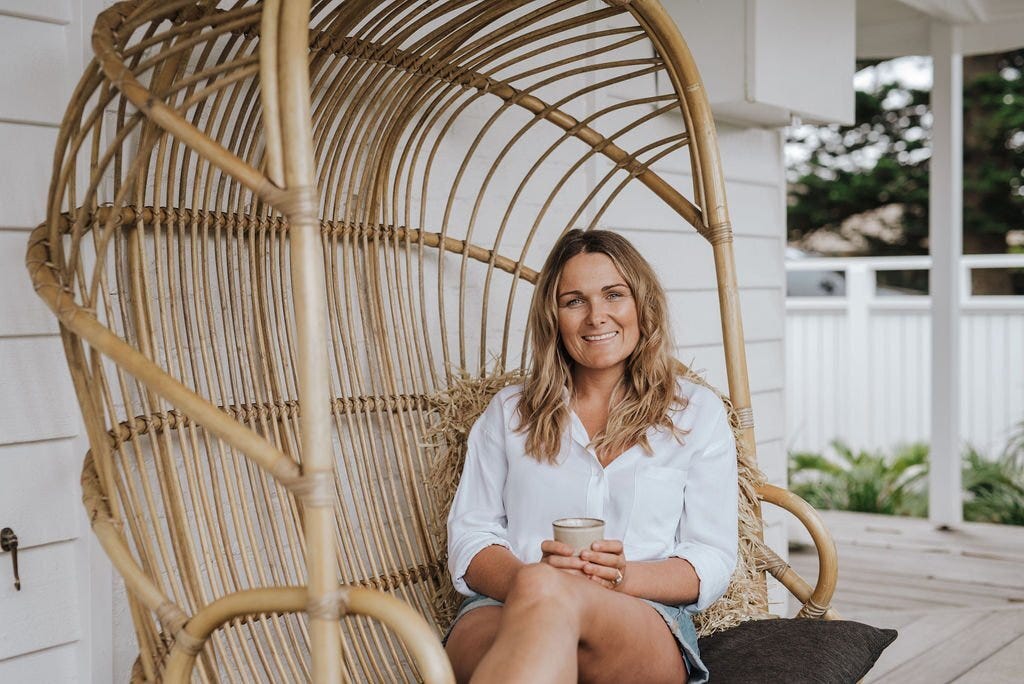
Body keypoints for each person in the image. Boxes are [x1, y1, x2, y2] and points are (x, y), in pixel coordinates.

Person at [444, 229, 738, 683]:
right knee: (543, 590)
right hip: (502, 604)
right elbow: (471, 536)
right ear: (553, 317)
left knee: (550, 596)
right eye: (574, 301)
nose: (596, 316)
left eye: (613, 295)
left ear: (642, 305)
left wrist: (621, 576)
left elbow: (711, 557)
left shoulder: (695, 412)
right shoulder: (509, 412)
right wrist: (531, 580)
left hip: (637, 611)